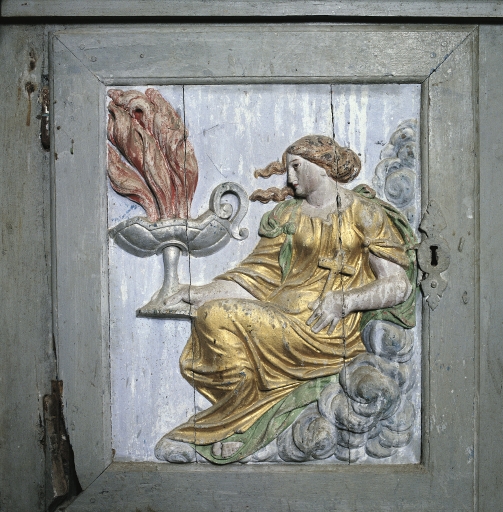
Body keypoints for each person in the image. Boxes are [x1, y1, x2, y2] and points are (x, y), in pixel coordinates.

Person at [155, 135, 415, 463]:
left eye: (296, 167)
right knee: (210, 314)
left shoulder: (365, 213)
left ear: (322, 166)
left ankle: (236, 429)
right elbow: (256, 278)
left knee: (216, 317)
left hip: (326, 328)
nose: (289, 178)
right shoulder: (288, 215)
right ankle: (247, 418)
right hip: (278, 316)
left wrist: (345, 301)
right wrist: (200, 293)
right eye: (288, 169)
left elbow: (398, 285)